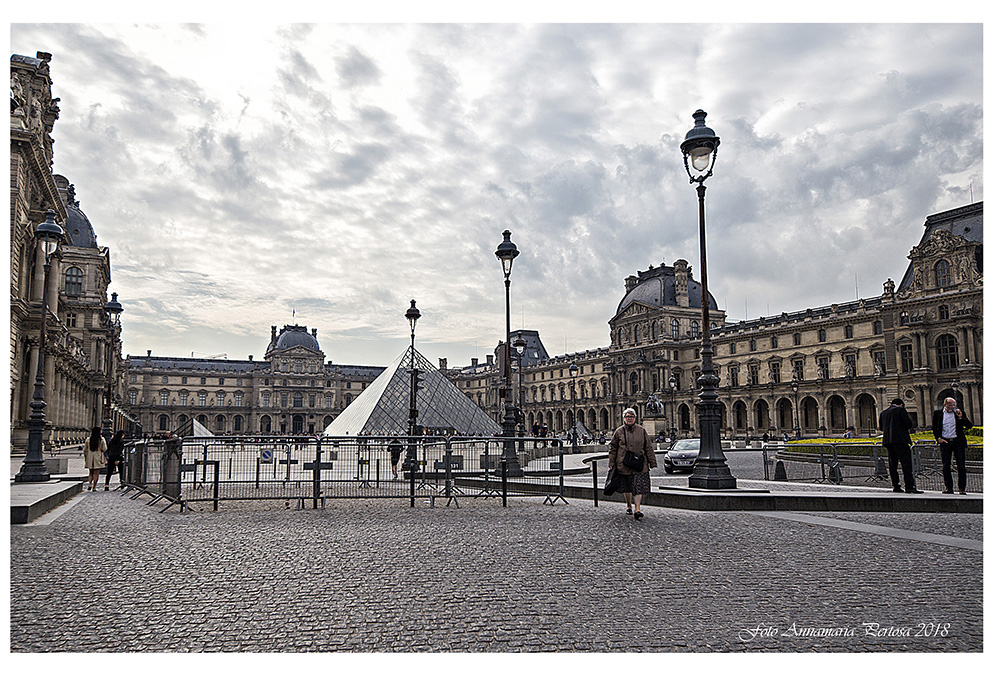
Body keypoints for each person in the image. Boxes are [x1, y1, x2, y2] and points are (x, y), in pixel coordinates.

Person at [608, 408, 657, 520]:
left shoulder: (642, 430)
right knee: (627, 487)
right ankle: (629, 505)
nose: (629, 418)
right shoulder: (619, 431)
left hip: (639, 464)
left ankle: (637, 509)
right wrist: (611, 462)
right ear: (624, 418)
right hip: (623, 463)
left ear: (635, 418)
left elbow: (648, 447)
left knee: (638, 486)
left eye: (631, 416)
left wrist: (652, 462)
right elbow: (613, 448)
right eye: (627, 416)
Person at [878, 398, 921, 494]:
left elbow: (881, 428)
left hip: (888, 441)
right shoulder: (900, 410)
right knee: (906, 464)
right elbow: (909, 424)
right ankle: (909, 486)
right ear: (901, 404)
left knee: (892, 465)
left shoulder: (883, 413)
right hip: (901, 440)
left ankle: (896, 486)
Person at [932, 397, 974, 495]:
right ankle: (949, 488)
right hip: (945, 442)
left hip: (958, 442)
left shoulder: (959, 413)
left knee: (961, 466)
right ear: (945, 405)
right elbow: (934, 427)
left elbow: (969, 425)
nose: (953, 407)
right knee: (946, 466)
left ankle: (962, 488)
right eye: (951, 405)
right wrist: (938, 439)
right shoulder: (937, 414)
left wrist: (961, 417)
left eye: (954, 405)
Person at [84, 427, 107, 492]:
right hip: (98, 457)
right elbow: (104, 449)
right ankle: (94, 487)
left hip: (90, 457)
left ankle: (90, 484)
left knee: (90, 472)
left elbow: (85, 449)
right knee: (96, 473)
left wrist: (86, 457)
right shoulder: (101, 439)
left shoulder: (88, 439)